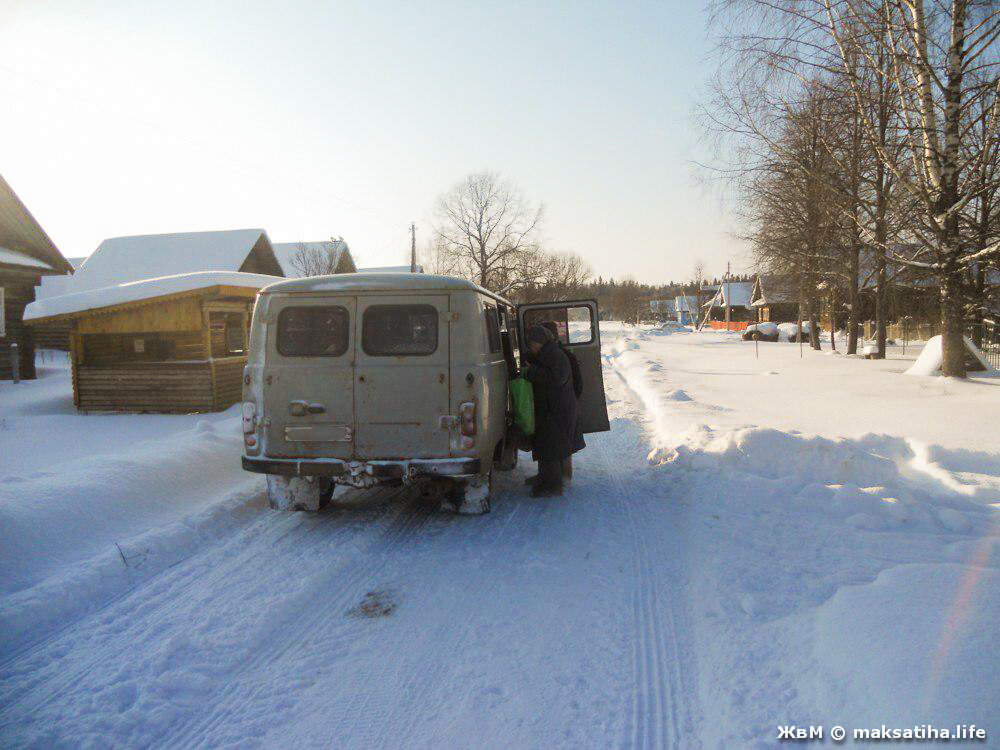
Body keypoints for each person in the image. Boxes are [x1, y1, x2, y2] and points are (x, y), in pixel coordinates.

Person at [522, 324, 579, 497]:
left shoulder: (555, 355)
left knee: (551, 446)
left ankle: (552, 485)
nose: (532, 347)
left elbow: (557, 378)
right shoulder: (548, 353)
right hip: (551, 408)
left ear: (540, 342)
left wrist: (532, 371)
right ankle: (545, 477)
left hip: (556, 409)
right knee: (545, 443)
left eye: (533, 344)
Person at [541, 320, 585, 480]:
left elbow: (577, 384)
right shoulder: (566, 354)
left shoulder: (555, 356)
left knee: (562, 442)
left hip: (559, 406)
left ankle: (564, 476)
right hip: (564, 405)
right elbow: (578, 385)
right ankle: (560, 475)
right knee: (564, 441)